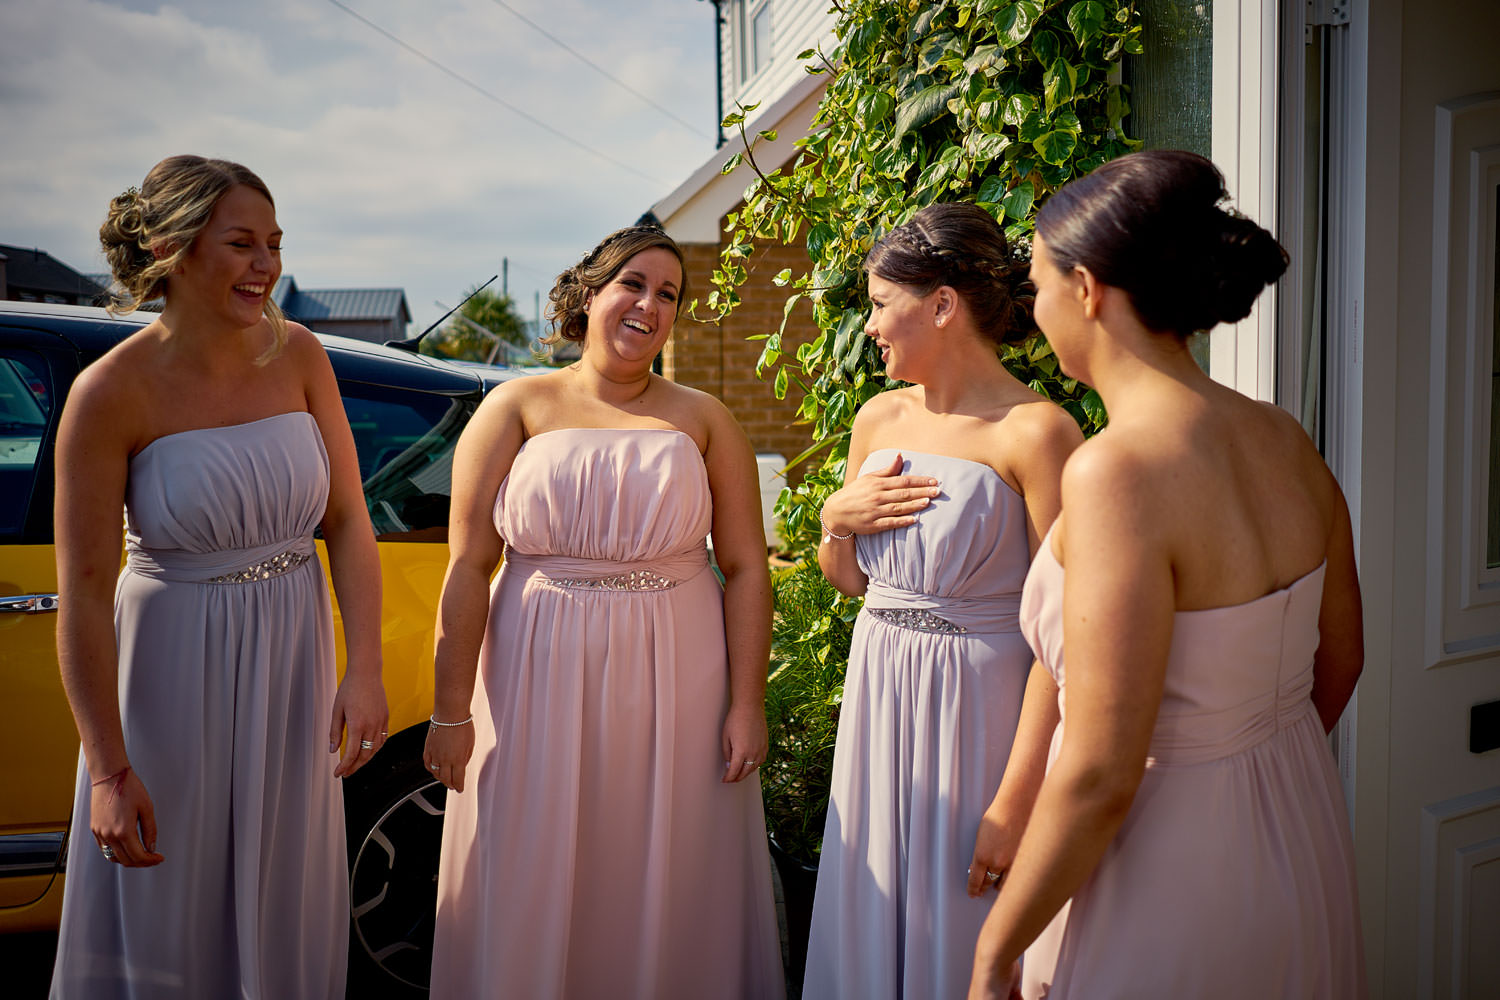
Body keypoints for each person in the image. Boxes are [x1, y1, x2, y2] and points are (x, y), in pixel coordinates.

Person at [966, 150, 1366, 1000]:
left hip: (1167, 866)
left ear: (1086, 289)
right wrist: (1252, 759)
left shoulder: (1116, 474)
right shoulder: (1284, 438)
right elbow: (1341, 661)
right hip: (1298, 828)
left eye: (1037, 284)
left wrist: (994, 952)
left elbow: (1102, 772)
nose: (1034, 310)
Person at [49, 155, 388, 998]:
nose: (266, 264)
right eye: (242, 243)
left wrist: (366, 669)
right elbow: (83, 596)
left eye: (274, 243)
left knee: (283, 896)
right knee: (172, 908)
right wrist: (108, 771)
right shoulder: (107, 392)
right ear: (172, 247)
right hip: (170, 679)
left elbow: (349, 520)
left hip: (293, 669)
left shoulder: (300, 352)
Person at [423, 225, 785, 998]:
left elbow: (749, 567)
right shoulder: (515, 405)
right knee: (532, 852)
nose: (649, 305)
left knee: (667, 861)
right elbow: (469, 565)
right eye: (633, 284)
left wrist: (747, 704)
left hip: (679, 679)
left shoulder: (706, 418)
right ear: (589, 293)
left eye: (668, 295)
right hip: (534, 674)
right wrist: (450, 711)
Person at [802, 203, 1082, 999]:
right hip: (879, 690)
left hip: (980, 711)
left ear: (942, 305)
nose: (869, 326)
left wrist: (1018, 799)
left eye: (879, 303)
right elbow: (852, 580)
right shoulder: (877, 418)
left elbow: (1067, 638)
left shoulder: (1038, 434)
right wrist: (833, 521)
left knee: (960, 913)